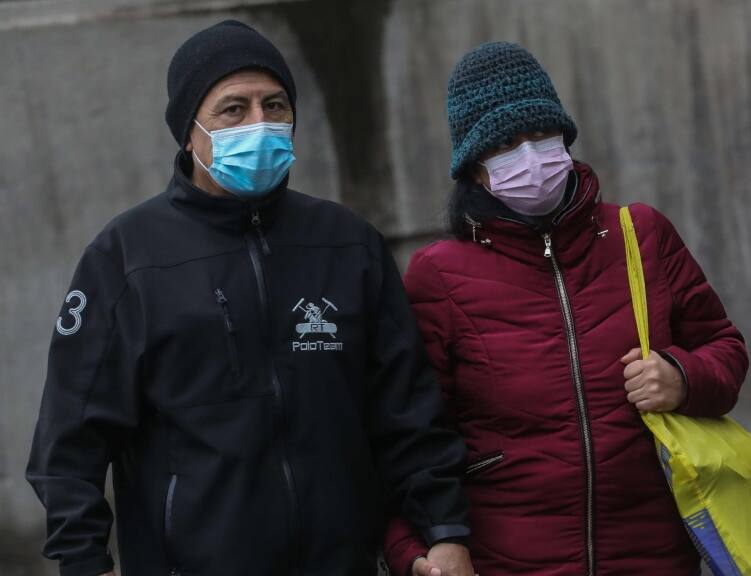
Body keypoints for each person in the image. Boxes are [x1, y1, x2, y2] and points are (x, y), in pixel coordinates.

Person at [26, 20, 474, 576]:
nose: (260, 123)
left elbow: (407, 411)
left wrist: (444, 529)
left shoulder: (347, 243)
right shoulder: (126, 258)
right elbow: (71, 436)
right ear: (188, 132)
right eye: (233, 109)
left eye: (275, 105)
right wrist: (83, 560)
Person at [384, 42, 748, 576]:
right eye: (504, 144)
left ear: (563, 136)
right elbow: (411, 432)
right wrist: (418, 549)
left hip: (654, 556)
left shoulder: (640, 234)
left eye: (539, 134)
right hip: (510, 560)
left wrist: (683, 377)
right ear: (474, 168)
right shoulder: (437, 274)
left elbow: (726, 349)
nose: (530, 157)